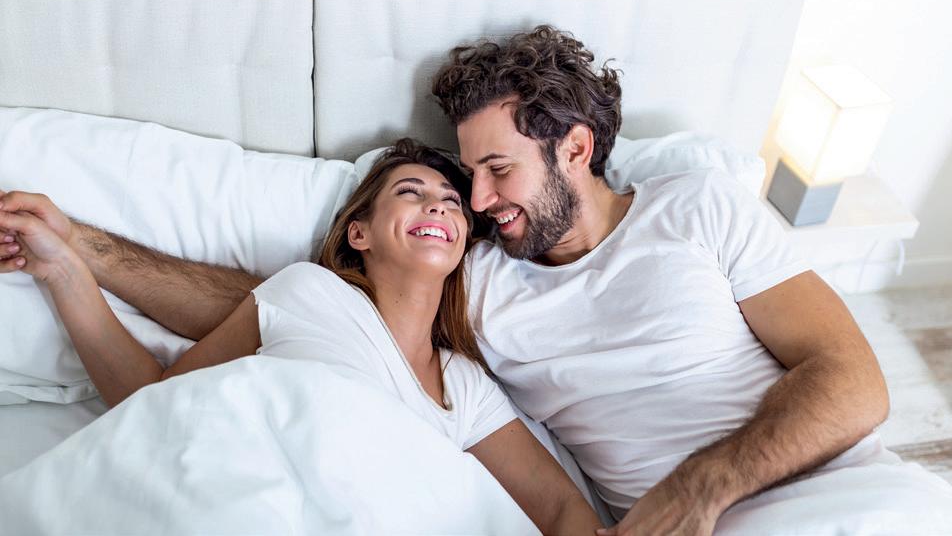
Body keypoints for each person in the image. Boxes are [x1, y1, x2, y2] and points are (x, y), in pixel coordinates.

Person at [1, 27, 952, 535]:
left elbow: (852, 380)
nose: (476, 203)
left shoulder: (697, 206)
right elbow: (282, 312)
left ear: (576, 149)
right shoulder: (473, 278)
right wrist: (85, 248)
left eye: (494, 172)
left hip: (831, 495)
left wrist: (700, 488)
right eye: (458, 181)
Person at [0, 138, 602, 536]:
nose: (438, 207)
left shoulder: (465, 387)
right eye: (411, 193)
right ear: (360, 234)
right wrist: (63, 270)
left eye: (451, 203)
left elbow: (558, 506)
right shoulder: (306, 292)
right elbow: (157, 406)